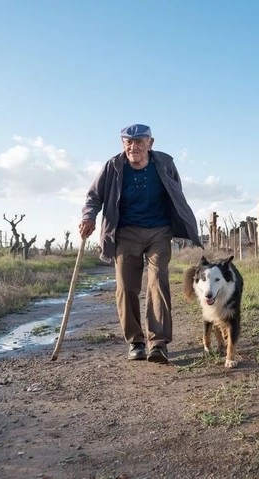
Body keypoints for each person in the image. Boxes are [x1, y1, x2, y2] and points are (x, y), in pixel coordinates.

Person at [79, 124, 201, 363]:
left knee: (158, 281)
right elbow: (94, 196)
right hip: (125, 232)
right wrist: (88, 217)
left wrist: (178, 223)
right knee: (126, 287)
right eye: (128, 143)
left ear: (150, 143)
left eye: (139, 142)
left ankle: (158, 342)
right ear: (123, 144)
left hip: (159, 231)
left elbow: (175, 192)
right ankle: (136, 341)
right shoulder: (113, 167)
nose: (133, 147)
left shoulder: (165, 164)